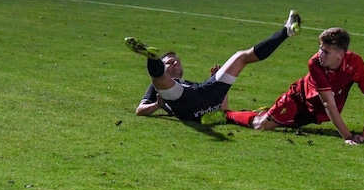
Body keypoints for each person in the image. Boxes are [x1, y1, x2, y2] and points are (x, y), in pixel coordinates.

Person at [125, 10, 302, 123]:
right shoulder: (159, 89)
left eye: (177, 60)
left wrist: (220, 84)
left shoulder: (191, 83)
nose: (176, 63)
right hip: (180, 101)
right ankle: (151, 57)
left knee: (241, 57)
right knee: (158, 79)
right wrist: (157, 104)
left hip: (204, 93)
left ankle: (287, 31)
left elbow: (222, 108)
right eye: (169, 62)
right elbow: (140, 110)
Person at [225, 27, 364, 145]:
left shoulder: (355, 65)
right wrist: (348, 137)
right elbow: (328, 102)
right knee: (261, 125)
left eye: (326, 51)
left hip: (318, 111)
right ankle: (227, 114)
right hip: (298, 100)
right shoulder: (315, 63)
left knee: (287, 124)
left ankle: (266, 113)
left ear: (340, 54)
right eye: (320, 49)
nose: (320, 54)